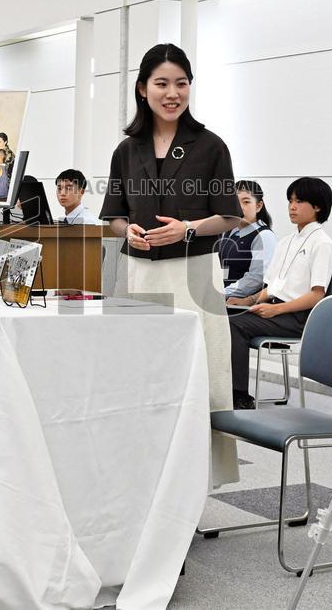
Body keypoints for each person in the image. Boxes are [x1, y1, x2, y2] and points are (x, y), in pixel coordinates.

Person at [100, 43, 242, 487]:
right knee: (146, 378)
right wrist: (130, 232)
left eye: (181, 83)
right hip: (141, 274)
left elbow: (230, 215)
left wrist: (188, 229)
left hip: (194, 274)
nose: (172, 92)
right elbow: (114, 218)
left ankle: (195, 485)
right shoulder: (127, 151)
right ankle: (146, 482)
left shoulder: (210, 146)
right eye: (161, 83)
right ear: (143, 89)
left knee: (200, 380)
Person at [228, 177, 332, 409]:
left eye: (299, 201)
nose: (292, 206)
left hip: (299, 317)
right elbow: (271, 287)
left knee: (234, 325)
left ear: (317, 206)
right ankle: (221, 388)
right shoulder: (287, 241)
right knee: (224, 315)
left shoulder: (323, 244)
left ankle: (238, 395)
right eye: (290, 201)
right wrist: (245, 301)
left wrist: (275, 309)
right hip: (277, 311)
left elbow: (317, 295)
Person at [220, 180, 277, 303]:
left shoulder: (264, 236)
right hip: (223, 298)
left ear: (258, 206)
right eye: (235, 202)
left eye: (246, 202)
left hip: (244, 305)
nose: (239, 207)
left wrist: (222, 293)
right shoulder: (228, 231)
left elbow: (256, 279)